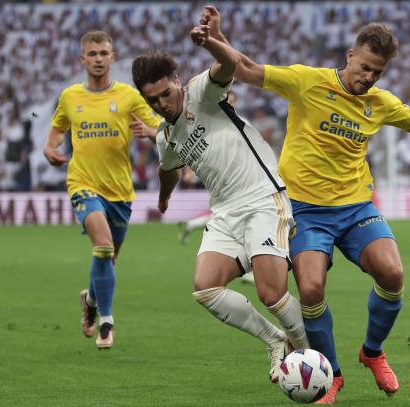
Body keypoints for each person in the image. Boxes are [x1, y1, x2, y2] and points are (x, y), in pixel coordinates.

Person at [201, 6, 410, 403]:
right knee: (310, 289)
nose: (369, 77)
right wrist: (215, 39)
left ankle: (373, 351)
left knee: (393, 274)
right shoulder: (307, 81)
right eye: (365, 67)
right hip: (304, 211)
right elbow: (245, 69)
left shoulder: (379, 102)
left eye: (377, 73)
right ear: (350, 56)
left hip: (355, 208)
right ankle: (331, 374)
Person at [131, 24, 309, 383]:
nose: (161, 104)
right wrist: (164, 199)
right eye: (152, 101)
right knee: (205, 287)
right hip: (226, 214)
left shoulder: (201, 92)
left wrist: (210, 41)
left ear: (177, 81)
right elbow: (169, 169)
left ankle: (310, 356)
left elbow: (231, 64)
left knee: (271, 293)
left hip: (262, 198)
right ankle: (276, 341)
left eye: (165, 94)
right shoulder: (166, 135)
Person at [43, 31, 159, 349]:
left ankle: (91, 300)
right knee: (103, 246)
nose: (97, 59)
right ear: (82, 59)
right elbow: (54, 134)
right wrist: (50, 150)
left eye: (103, 53)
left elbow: (160, 131)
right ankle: (106, 322)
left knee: (107, 260)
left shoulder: (129, 96)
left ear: (113, 57)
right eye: (92, 54)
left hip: (120, 191)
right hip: (82, 183)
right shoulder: (69, 97)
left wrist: (148, 131)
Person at [177, 91, 256, 284]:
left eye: (232, 100)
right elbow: (194, 146)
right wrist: (188, 170)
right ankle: (245, 267)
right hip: (224, 182)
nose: (229, 102)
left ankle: (244, 266)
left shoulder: (243, 122)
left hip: (244, 181)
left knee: (239, 221)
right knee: (242, 222)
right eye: (225, 99)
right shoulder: (209, 124)